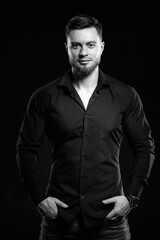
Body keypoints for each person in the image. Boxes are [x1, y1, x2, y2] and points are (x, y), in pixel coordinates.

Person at [16, 14, 155, 240]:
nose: (83, 53)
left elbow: (144, 146)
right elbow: (25, 149)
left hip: (110, 222)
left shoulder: (125, 95)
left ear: (101, 47)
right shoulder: (44, 97)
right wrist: (39, 198)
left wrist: (131, 198)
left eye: (90, 45)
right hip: (59, 221)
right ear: (67, 48)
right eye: (76, 45)